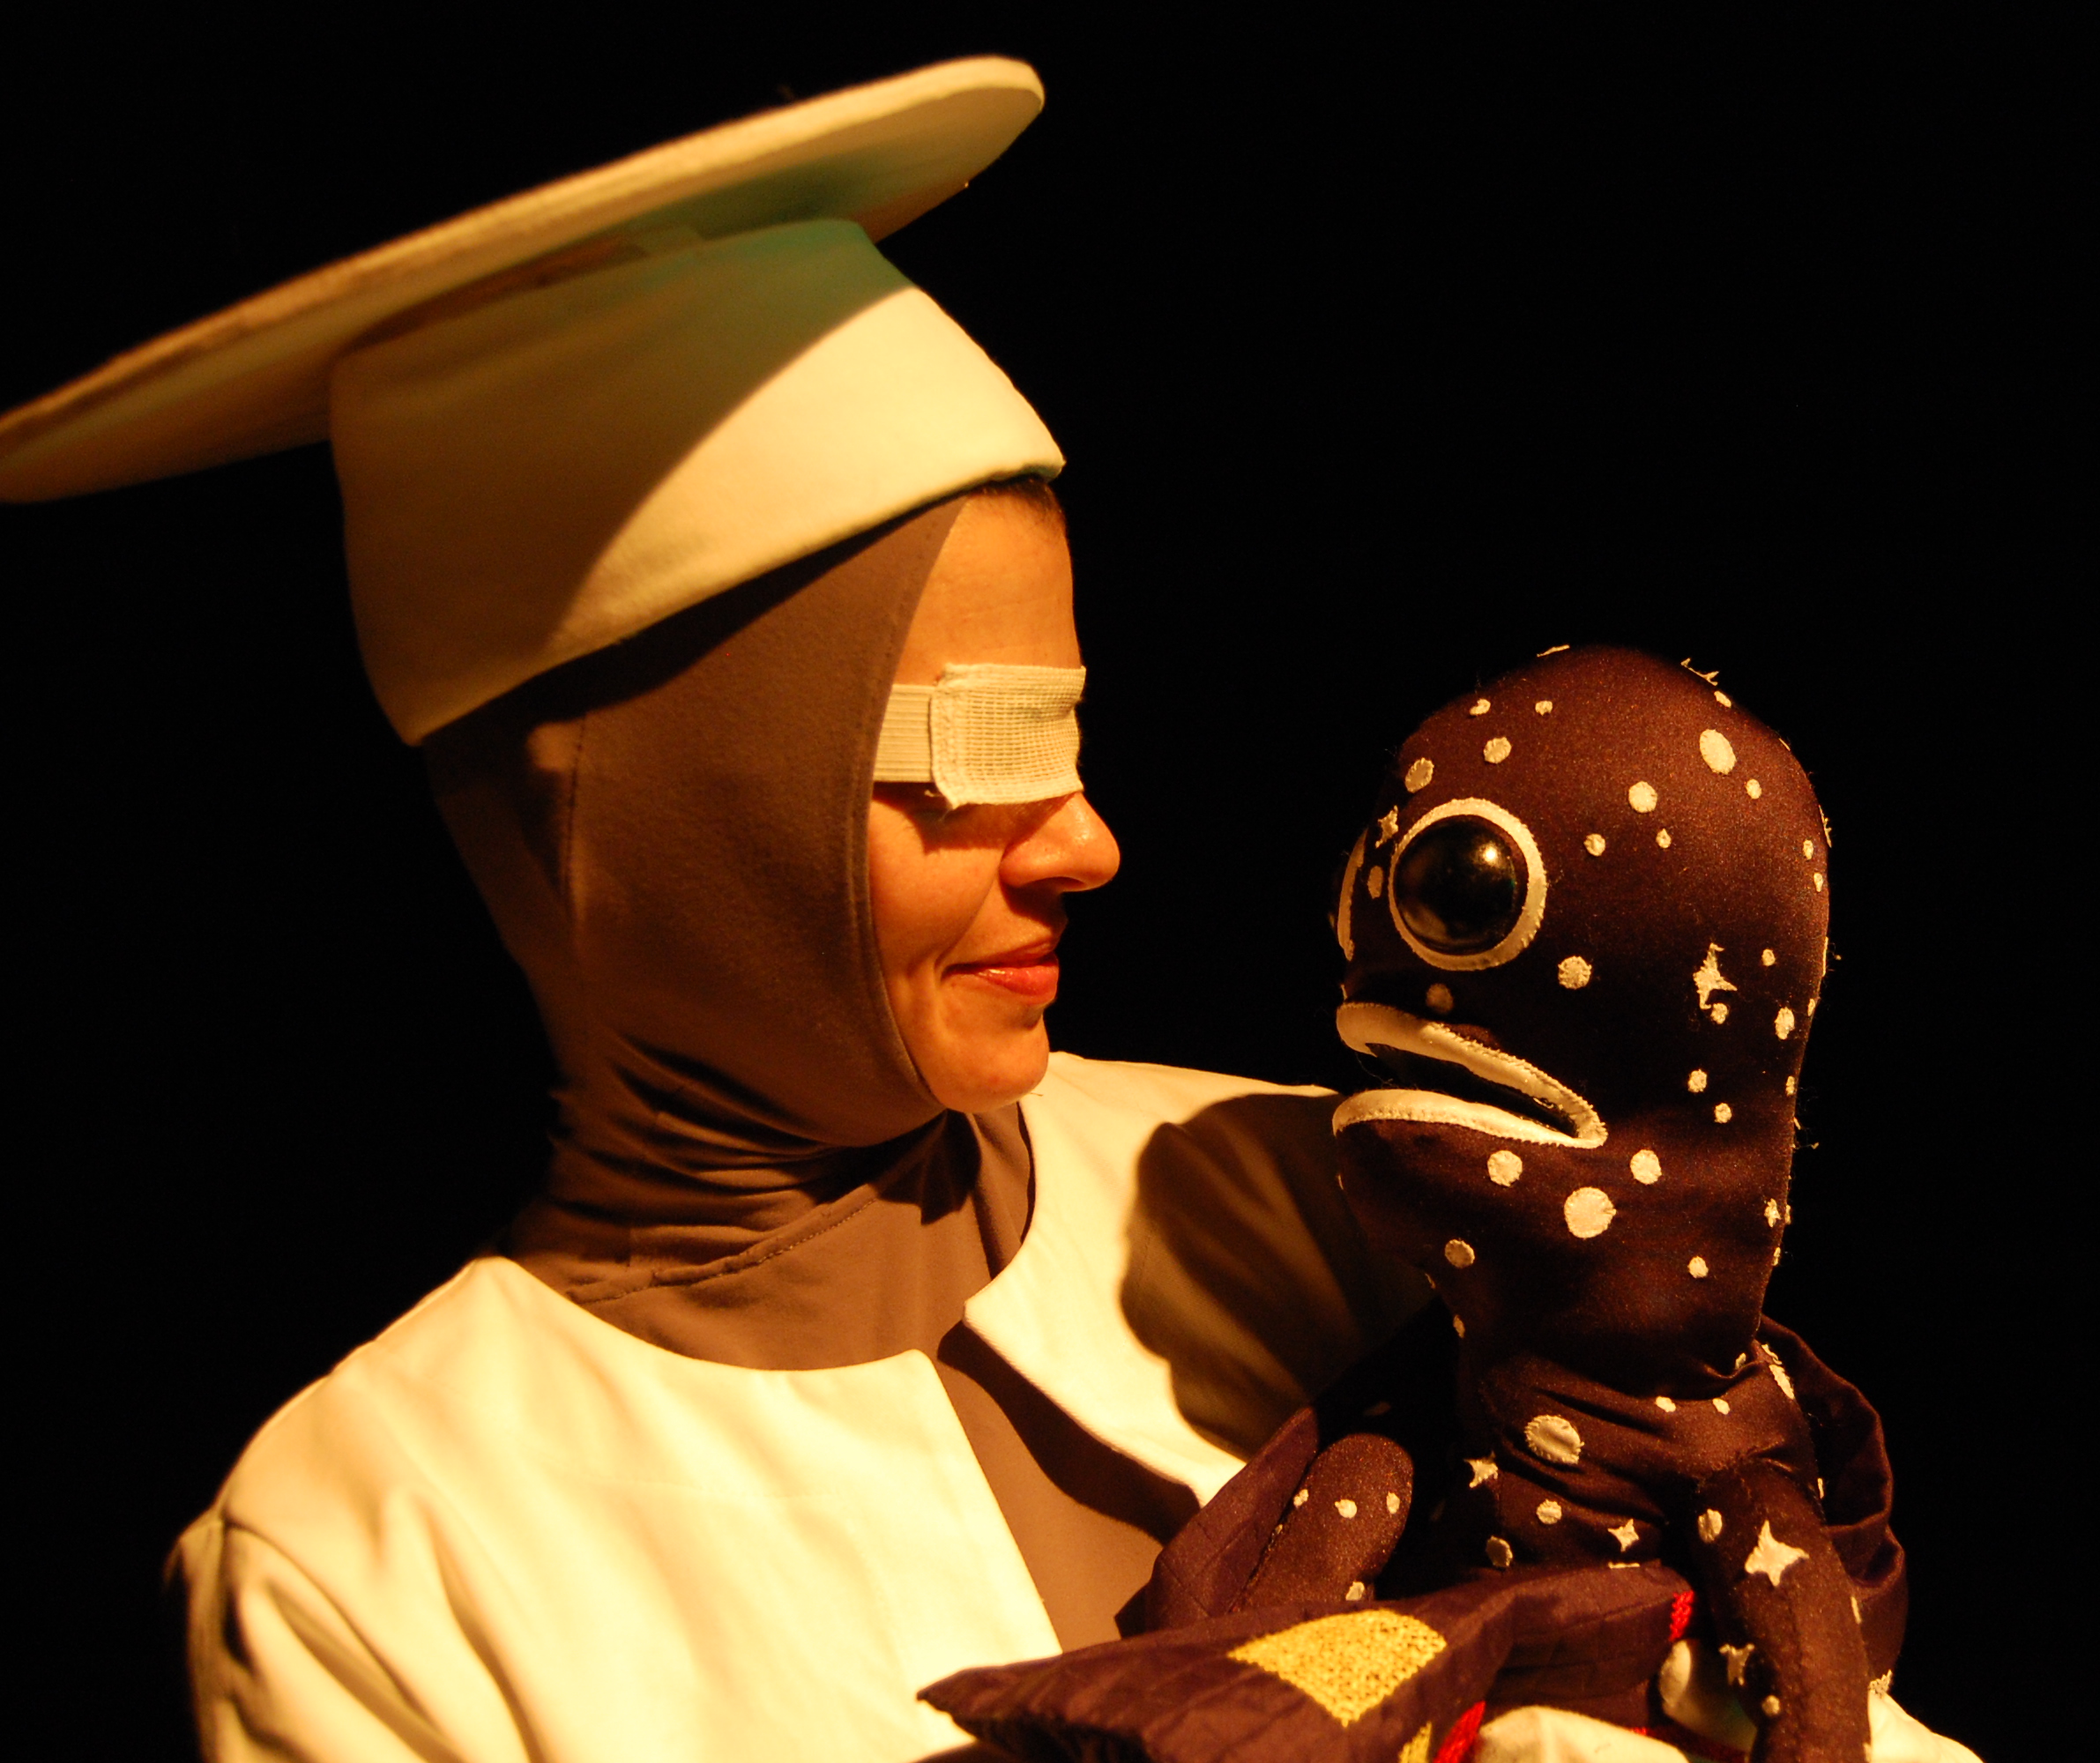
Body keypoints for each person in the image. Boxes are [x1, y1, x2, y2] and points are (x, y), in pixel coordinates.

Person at [1, 60, 1423, 1760]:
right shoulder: (381, 1562)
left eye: (1068, 731)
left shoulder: (1315, 1200)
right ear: (666, 823)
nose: (1086, 843)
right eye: (978, 753)